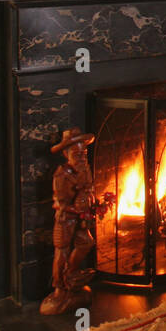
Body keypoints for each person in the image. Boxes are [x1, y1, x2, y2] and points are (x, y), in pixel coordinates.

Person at [39, 128, 113, 316]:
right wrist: (78, 210)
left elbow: (87, 190)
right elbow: (60, 204)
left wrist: (93, 206)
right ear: (66, 154)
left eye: (84, 152)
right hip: (65, 220)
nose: (81, 156)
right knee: (61, 252)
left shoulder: (84, 168)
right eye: (76, 153)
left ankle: (71, 274)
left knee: (86, 242)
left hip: (81, 218)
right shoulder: (62, 175)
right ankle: (60, 289)